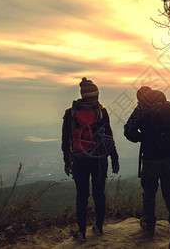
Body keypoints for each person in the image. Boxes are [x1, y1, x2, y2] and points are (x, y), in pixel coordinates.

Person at [124, 87, 170, 249]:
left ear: (141, 98)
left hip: (151, 159)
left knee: (149, 194)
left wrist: (144, 138)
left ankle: (149, 227)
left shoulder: (141, 109)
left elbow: (128, 131)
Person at [61, 77, 120, 242]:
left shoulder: (70, 113)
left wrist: (67, 161)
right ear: (96, 95)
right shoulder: (101, 112)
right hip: (99, 159)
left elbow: (65, 140)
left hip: (79, 159)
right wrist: (114, 159)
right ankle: (99, 226)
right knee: (98, 193)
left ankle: (81, 231)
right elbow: (108, 137)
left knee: (82, 194)